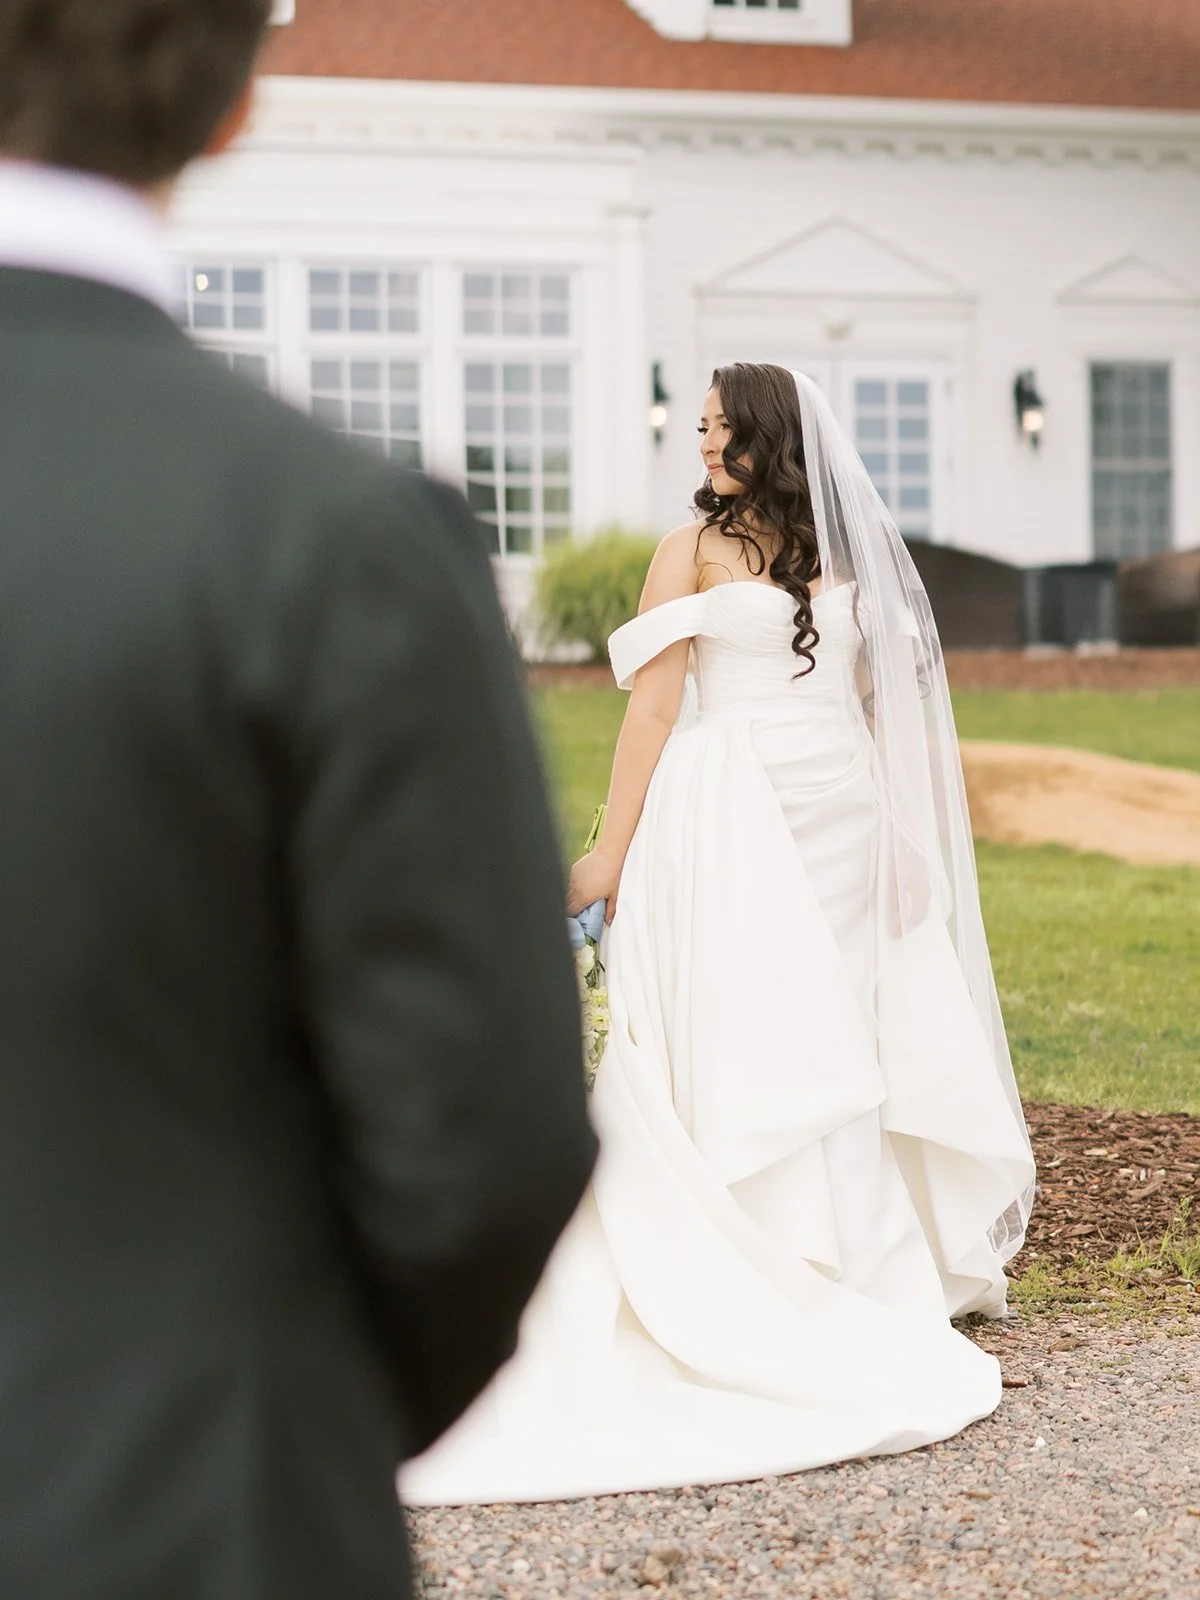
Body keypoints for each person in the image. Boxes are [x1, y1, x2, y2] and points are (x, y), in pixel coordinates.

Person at [0, 3, 596, 1595]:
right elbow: (488, 1138)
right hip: (198, 1511)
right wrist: (292, 1403)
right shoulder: (333, 536)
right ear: (237, 105)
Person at [401, 363, 1037, 1506]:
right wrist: (607, 849)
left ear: (770, 435)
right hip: (731, 810)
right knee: (750, 1017)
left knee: (845, 1026)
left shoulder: (848, 552)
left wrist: (904, 834)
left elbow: (886, 700)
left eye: (719, 429)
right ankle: (747, 1238)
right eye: (695, 429)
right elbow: (652, 703)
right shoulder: (687, 550)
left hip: (840, 814)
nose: (702, 447)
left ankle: (845, 1253)